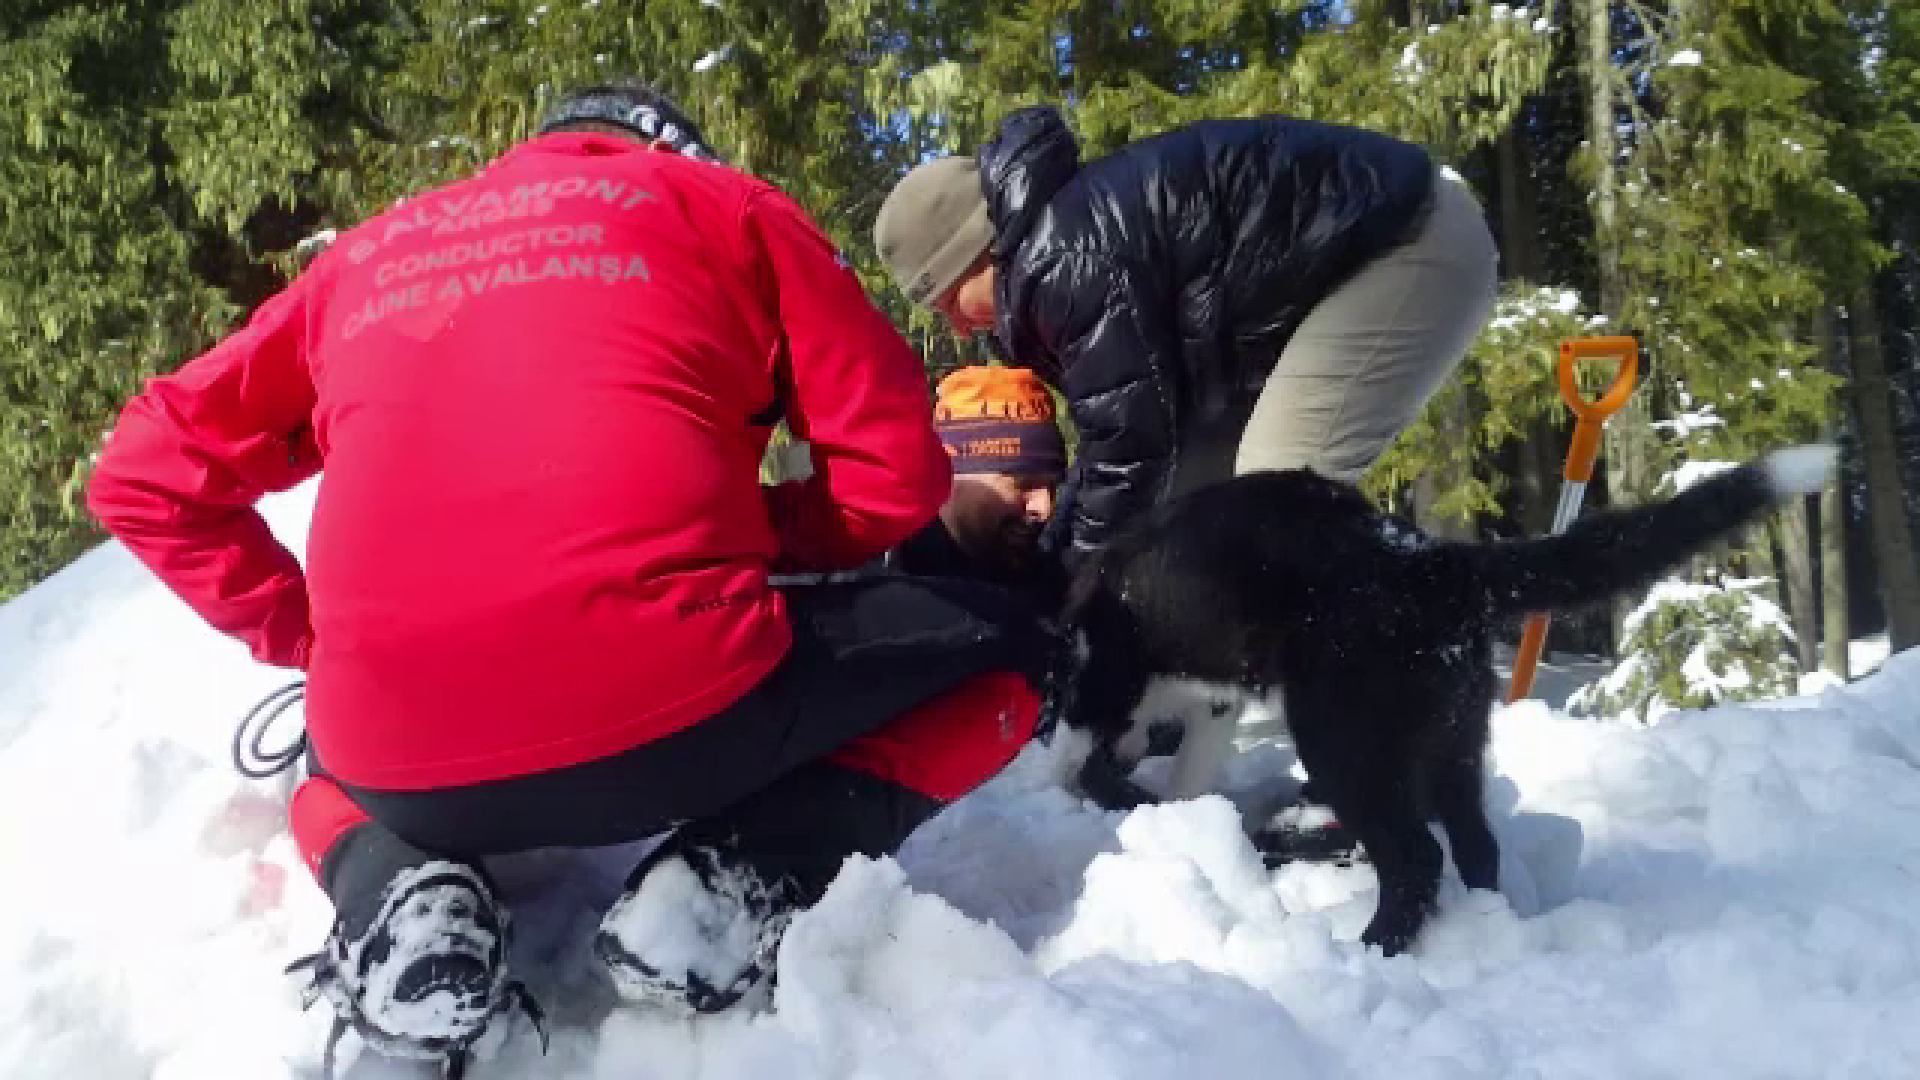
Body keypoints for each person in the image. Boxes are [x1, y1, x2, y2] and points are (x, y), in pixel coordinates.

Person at [87, 78, 1051, 1077]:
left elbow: (142, 474)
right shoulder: (724, 208)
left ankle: (396, 893)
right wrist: (764, 539)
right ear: (672, 152)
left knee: (325, 757)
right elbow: (896, 478)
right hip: (690, 715)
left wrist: (308, 638)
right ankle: (738, 882)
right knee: (1015, 657)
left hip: (401, 762)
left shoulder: (365, 259)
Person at [873, 105, 1499, 574]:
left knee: (1270, 497)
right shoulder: (1063, 244)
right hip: (1394, 243)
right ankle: (1216, 701)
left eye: (947, 302)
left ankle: (1385, 662)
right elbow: (1133, 447)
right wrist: (1062, 556)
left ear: (975, 256)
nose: (957, 327)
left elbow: (1133, 454)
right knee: (1215, 499)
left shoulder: (1062, 258)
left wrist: (1062, 593)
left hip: (1411, 245)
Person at [883, 365, 1067, 600]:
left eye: (1053, 487)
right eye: (1024, 485)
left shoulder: (1048, 583)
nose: (1045, 509)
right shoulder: (874, 576)